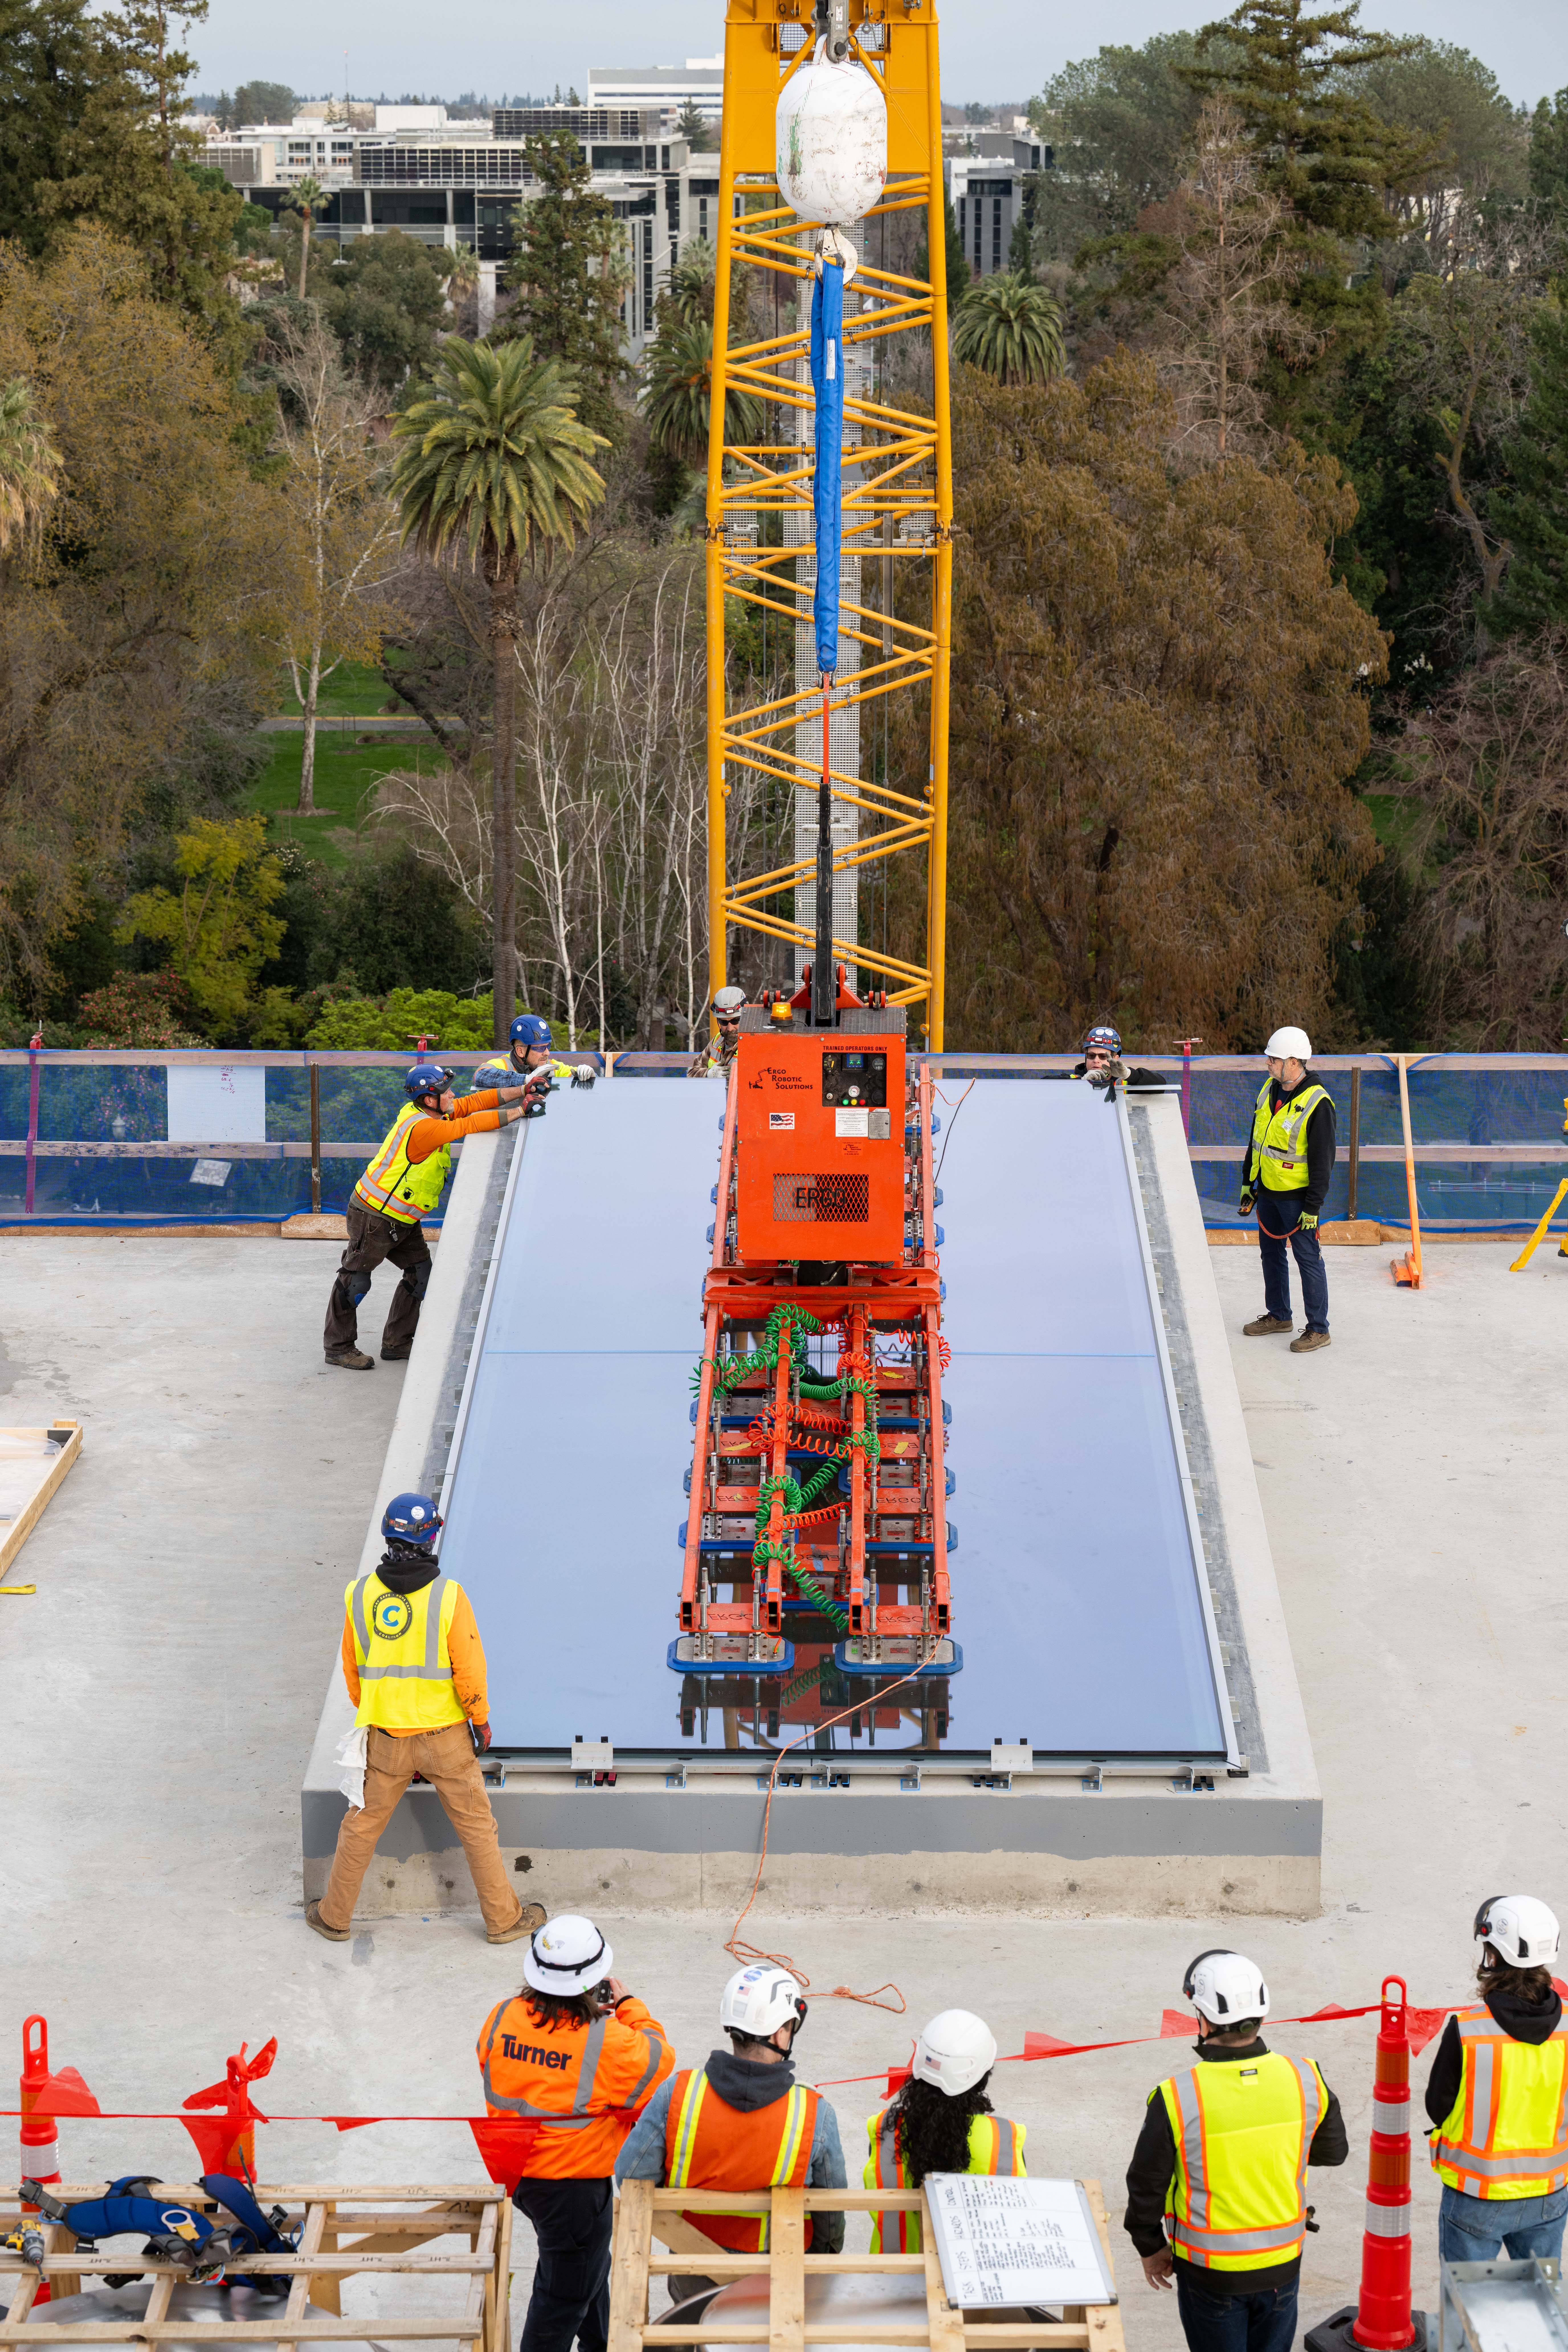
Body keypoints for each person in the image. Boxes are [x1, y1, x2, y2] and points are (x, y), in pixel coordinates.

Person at [307, 1492, 541, 1946]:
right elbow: (469, 1670)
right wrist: (481, 1720)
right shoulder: (449, 1597)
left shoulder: (358, 1595)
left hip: (386, 1738)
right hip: (446, 1738)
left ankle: (334, 1918)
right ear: (431, 1536)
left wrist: (380, 1715)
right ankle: (503, 1921)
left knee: (360, 1825)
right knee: (477, 1827)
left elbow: (354, 1674)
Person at [1125, 1950, 1347, 2352]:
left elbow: (1146, 2186)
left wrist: (1151, 2247)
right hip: (1283, 2266)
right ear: (1262, 2013)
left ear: (1203, 2018)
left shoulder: (1177, 2097)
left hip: (1211, 2276)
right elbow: (1332, 2152)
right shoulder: (1307, 2078)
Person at [478, 1915, 675, 2352]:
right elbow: (659, 2060)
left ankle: (602, 2343)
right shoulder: (608, 2040)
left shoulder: (503, 2016)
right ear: (595, 1979)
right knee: (561, 2299)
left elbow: (502, 2064)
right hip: (573, 2190)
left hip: (519, 2173)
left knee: (586, 2268)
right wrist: (630, 2007)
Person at [616, 1965, 846, 2308]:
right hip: (775, 2284)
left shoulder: (677, 2094)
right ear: (781, 2035)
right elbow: (830, 2220)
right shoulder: (813, 2114)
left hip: (692, 2281)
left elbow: (631, 2177)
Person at [324, 1061, 540, 1370]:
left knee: (420, 1274)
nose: (453, 1095)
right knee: (355, 1281)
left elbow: (475, 1103)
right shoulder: (424, 1127)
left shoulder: (431, 1112)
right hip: (374, 1217)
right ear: (429, 1099)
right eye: (446, 1091)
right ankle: (338, 1348)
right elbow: (470, 1125)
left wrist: (523, 1090)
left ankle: (397, 1343)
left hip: (402, 1218)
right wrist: (522, 1110)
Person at [1425, 1896, 1568, 2264]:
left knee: (1468, 2311)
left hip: (1478, 2194)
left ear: (1494, 1955)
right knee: (1541, 2306)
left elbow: (1438, 2107)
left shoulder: (1469, 2031)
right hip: (1549, 2194)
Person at [864, 2010, 1026, 2252]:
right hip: (974, 2284)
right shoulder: (1004, 2139)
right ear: (983, 2079)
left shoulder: (883, 2128)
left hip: (889, 2280)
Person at [1237, 1027, 1336, 1355]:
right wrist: (1247, 1185)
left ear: (1293, 1062)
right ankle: (1279, 1316)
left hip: (1297, 1201)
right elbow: (1257, 1141)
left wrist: (1312, 1208)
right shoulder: (1269, 1090)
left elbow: (1323, 1162)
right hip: (1266, 1192)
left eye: (1274, 1059)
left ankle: (1318, 1330)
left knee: (1308, 1260)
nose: (1268, 1064)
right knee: (1271, 1254)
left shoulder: (1318, 1103)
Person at [474, 1013, 597, 1103]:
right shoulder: (503, 1064)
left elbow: (576, 1080)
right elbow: (480, 1075)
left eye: (548, 1046)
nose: (547, 1053)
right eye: (539, 1048)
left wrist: (588, 1077)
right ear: (521, 1051)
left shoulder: (552, 1066)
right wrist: (527, 1079)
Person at [689, 987, 747, 1078]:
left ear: (745, 1016)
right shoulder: (717, 1041)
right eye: (724, 1022)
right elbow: (692, 1073)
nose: (730, 1028)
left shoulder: (753, 1046)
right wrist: (708, 1074)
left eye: (736, 1021)